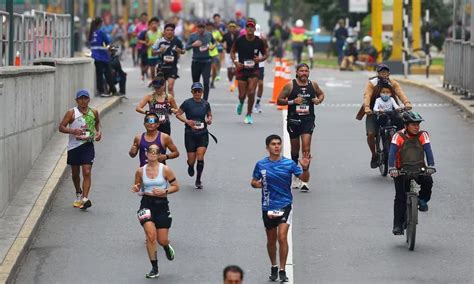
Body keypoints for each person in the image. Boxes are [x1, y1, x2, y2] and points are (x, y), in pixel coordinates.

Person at [251, 134, 311, 282]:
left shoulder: (289, 164)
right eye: (273, 144)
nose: (277, 146)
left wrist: (305, 168)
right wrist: (257, 184)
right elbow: (253, 181)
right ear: (267, 147)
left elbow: (305, 179)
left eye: (279, 143)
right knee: (271, 240)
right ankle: (274, 266)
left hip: (285, 204)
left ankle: (283, 269)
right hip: (268, 205)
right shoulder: (261, 164)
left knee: (282, 236)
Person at [131, 144, 179, 279]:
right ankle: (154, 268)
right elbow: (138, 186)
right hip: (146, 204)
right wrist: (136, 188)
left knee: (162, 240)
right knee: (151, 236)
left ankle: (166, 246)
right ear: (146, 154)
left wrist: (164, 191)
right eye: (150, 152)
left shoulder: (166, 170)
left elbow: (176, 186)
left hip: (162, 205)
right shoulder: (140, 171)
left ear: (159, 155)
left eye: (155, 153)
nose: (152, 155)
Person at [277, 63, 324, 191]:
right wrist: (293, 101)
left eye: (306, 71)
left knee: (306, 148)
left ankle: (304, 179)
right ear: (297, 72)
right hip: (293, 120)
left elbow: (321, 94)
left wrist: (318, 101)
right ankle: (296, 176)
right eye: (301, 71)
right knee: (294, 151)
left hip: (308, 120)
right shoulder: (290, 85)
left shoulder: (313, 85)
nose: (304, 73)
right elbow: (279, 100)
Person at [388, 111, 436, 235]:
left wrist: (431, 165)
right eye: (413, 125)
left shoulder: (423, 135)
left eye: (418, 125)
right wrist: (392, 168)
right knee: (400, 197)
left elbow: (428, 150)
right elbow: (392, 154)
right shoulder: (398, 136)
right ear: (406, 125)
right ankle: (398, 225)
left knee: (428, 181)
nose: (416, 127)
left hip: (419, 168)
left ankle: (423, 200)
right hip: (400, 170)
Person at [356, 64, 412, 169]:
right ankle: (374, 155)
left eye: (386, 72)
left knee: (402, 126)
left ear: (389, 74)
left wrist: (406, 103)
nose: (384, 74)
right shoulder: (372, 83)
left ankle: (403, 149)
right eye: (381, 72)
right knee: (371, 133)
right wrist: (367, 107)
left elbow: (400, 93)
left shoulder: (393, 83)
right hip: (373, 112)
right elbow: (367, 95)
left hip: (392, 111)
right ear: (377, 74)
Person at [58, 89, 102, 209]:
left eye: (85, 98)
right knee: (75, 174)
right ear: (77, 100)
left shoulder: (94, 111)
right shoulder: (71, 112)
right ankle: (78, 192)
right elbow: (61, 127)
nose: (83, 101)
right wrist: (73, 130)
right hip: (74, 147)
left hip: (88, 145)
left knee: (87, 172)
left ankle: (84, 198)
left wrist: (99, 133)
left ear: (89, 99)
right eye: (80, 99)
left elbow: (98, 123)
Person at [175, 82, 213, 189]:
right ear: (192, 92)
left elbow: (209, 115)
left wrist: (209, 120)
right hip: (190, 134)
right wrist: (187, 121)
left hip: (202, 134)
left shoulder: (206, 104)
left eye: (199, 91)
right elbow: (178, 114)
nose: (197, 93)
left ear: (202, 92)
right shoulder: (187, 103)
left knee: (200, 156)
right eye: (195, 91)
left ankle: (198, 180)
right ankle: (190, 165)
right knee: (192, 160)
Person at [231, 19, 267, 124]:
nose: (250, 28)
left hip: (254, 70)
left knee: (251, 92)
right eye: (248, 27)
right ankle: (241, 102)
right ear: (245, 29)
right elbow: (232, 52)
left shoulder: (259, 41)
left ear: (255, 29)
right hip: (241, 70)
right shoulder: (240, 40)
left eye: (252, 27)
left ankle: (248, 114)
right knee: (242, 95)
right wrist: (236, 62)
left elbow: (265, 54)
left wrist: (260, 59)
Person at [185, 21, 216, 101]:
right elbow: (186, 47)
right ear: (197, 28)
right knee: (196, 83)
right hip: (196, 62)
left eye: (203, 28)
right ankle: (196, 100)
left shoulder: (209, 34)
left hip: (206, 62)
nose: (201, 29)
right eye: (199, 27)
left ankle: (205, 101)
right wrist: (193, 45)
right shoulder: (192, 36)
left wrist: (212, 46)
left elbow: (214, 42)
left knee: (206, 82)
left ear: (205, 28)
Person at [151, 23, 185, 96]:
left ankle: (171, 105)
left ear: (174, 32)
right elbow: (152, 52)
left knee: (170, 87)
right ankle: (164, 104)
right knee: (162, 89)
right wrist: (159, 51)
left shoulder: (177, 41)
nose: (169, 32)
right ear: (164, 31)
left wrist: (180, 51)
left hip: (172, 67)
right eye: (167, 30)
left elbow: (183, 50)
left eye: (171, 30)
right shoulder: (159, 41)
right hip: (161, 67)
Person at [89, 17, 117, 97]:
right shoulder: (101, 32)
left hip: (95, 56)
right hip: (102, 56)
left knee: (99, 75)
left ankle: (101, 91)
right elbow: (108, 42)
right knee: (108, 73)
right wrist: (111, 49)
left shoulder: (91, 32)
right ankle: (113, 90)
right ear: (100, 24)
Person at [253, 24, 268, 113]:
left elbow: (266, 52)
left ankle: (257, 103)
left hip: (260, 65)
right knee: (251, 86)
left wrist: (265, 41)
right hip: (250, 65)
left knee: (261, 84)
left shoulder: (262, 42)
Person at [222, 21, 240, 92]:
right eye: (230, 28)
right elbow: (222, 41)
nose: (232, 29)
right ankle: (230, 82)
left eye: (233, 28)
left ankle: (236, 81)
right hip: (228, 53)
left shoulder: (238, 35)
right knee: (229, 69)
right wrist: (223, 45)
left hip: (236, 53)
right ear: (228, 28)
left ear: (235, 28)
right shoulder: (226, 35)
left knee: (236, 68)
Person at [207, 21, 223, 89]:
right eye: (208, 27)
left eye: (211, 27)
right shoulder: (204, 34)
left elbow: (221, 40)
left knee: (214, 68)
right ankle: (206, 82)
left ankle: (212, 82)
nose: (209, 28)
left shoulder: (216, 32)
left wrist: (218, 42)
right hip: (205, 54)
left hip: (214, 53)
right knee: (206, 70)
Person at [134, 13, 149, 80]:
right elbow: (134, 34)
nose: (144, 19)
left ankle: (145, 71)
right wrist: (138, 35)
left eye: (145, 18)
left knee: (148, 61)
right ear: (141, 18)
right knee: (142, 61)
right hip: (140, 46)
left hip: (147, 46)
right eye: (143, 18)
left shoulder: (148, 25)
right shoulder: (137, 26)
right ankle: (142, 73)